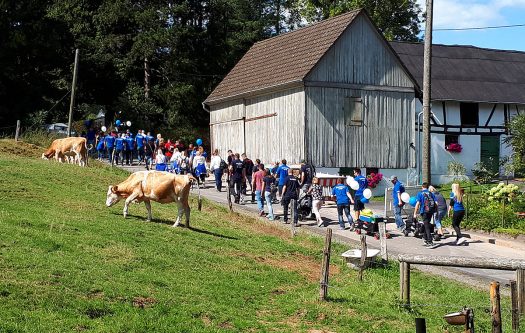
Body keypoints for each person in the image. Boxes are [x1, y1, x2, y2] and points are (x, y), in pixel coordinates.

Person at [413, 182, 438, 248]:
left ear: (422, 187)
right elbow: (436, 203)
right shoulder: (431, 193)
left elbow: (417, 204)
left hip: (424, 211)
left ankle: (430, 241)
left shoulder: (420, 193)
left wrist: (415, 213)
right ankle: (425, 238)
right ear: (427, 187)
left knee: (426, 226)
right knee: (426, 224)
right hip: (431, 211)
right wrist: (436, 212)